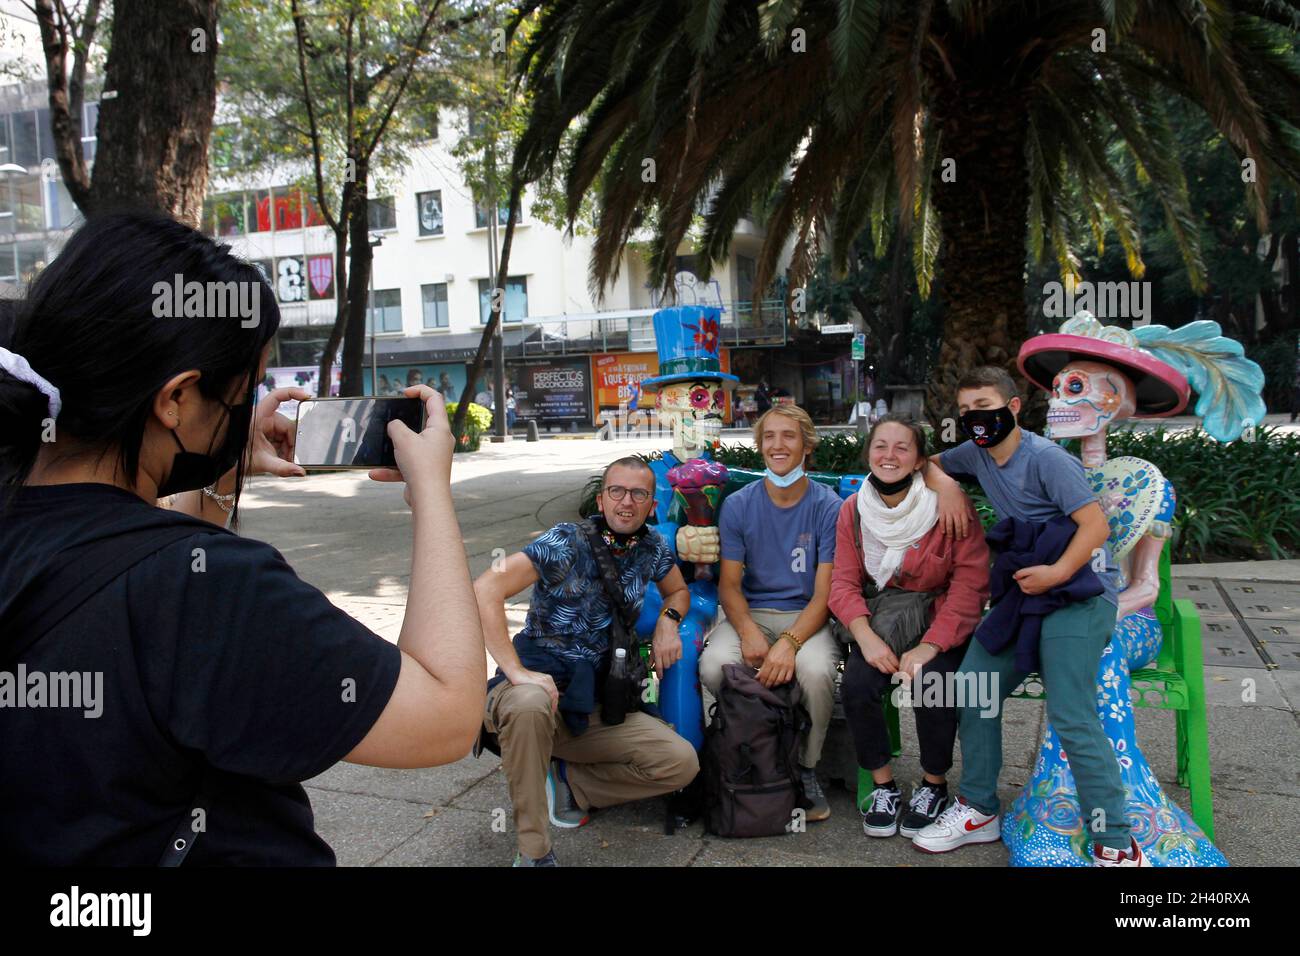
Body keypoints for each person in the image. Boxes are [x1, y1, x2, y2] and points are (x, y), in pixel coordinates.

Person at [0, 211, 485, 865]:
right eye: (245, 389)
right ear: (176, 399)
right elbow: (448, 714)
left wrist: (217, 451)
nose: (249, 407)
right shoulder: (215, 589)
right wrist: (431, 491)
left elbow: (139, 576)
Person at [913, 366, 1140, 864]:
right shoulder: (972, 453)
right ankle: (979, 808)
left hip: (1077, 591)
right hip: (1024, 590)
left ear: (1013, 408)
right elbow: (927, 462)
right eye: (968, 409)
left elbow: (1095, 526)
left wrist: (1056, 573)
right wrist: (949, 487)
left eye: (986, 407)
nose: (977, 417)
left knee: (1069, 711)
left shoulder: (1046, 459)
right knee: (974, 686)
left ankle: (1118, 841)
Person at [472, 456, 699, 866]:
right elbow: (485, 589)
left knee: (680, 763)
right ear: (601, 499)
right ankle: (534, 850)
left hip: (595, 702)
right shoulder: (565, 541)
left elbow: (677, 591)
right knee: (528, 703)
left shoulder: (652, 548)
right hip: (537, 690)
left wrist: (668, 621)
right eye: (616, 491)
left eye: (638, 494)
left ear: (652, 506)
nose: (626, 502)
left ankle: (570, 782)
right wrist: (515, 671)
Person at [829, 414, 990, 839]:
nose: (890, 455)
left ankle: (933, 783)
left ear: (920, 460)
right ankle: (884, 785)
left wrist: (930, 646)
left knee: (932, 683)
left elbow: (970, 585)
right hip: (881, 621)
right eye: (881, 446)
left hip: (940, 622)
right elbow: (842, 583)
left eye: (903, 447)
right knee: (859, 685)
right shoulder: (853, 511)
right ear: (868, 454)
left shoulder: (948, 509)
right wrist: (865, 638)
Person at [699, 404, 843, 821]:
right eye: (769, 437)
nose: (778, 445)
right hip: (753, 611)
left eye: (789, 436)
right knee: (714, 665)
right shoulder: (740, 505)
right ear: (759, 445)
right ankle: (747, 755)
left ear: (807, 445)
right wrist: (747, 632)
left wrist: (790, 644)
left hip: (806, 616)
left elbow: (824, 594)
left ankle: (806, 768)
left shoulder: (827, 507)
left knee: (815, 672)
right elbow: (728, 585)